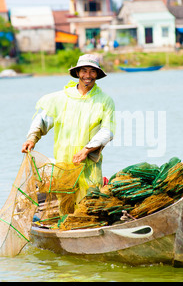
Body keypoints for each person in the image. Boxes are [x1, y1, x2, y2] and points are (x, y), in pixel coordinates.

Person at [21, 54, 115, 204]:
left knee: (90, 203)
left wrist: (86, 150)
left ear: (97, 74)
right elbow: (43, 120)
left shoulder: (104, 100)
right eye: (84, 71)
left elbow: (107, 131)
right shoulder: (62, 98)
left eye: (92, 71)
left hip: (89, 164)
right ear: (77, 73)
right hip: (64, 163)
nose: (87, 76)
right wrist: (32, 138)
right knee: (66, 204)